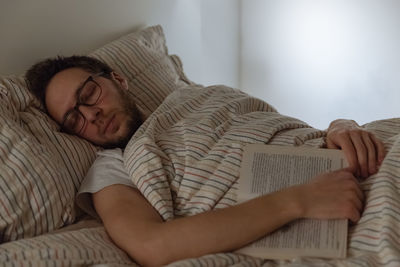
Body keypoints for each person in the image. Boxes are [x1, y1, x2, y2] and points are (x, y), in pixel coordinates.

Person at [26, 56, 386, 266]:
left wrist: (340, 126)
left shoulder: (201, 96)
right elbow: (151, 244)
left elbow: (285, 129)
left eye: (89, 94)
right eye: (73, 119)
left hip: (360, 155)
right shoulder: (111, 167)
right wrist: (298, 200)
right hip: (317, 213)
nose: (90, 115)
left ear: (117, 79)